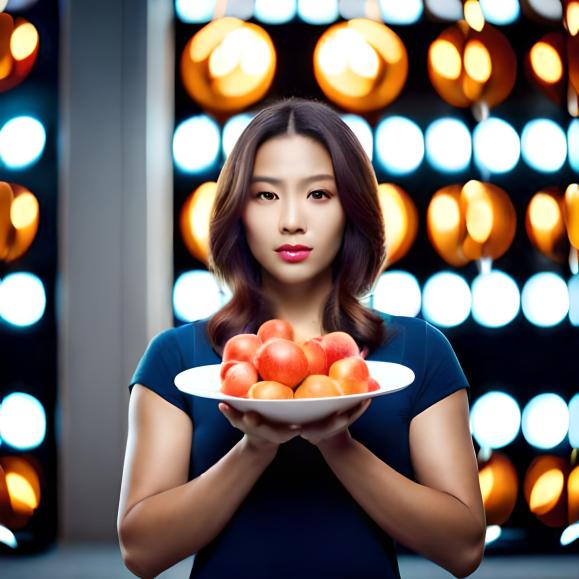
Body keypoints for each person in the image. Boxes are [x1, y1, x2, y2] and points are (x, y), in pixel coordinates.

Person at [117, 97, 486, 579]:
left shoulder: (418, 351)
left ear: (351, 207)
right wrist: (254, 449)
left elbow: (462, 549)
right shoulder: (178, 359)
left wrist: (337, 443)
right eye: (266, 195)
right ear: (238, 211)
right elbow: (141, 552)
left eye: (319, 194)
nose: (292, 219)